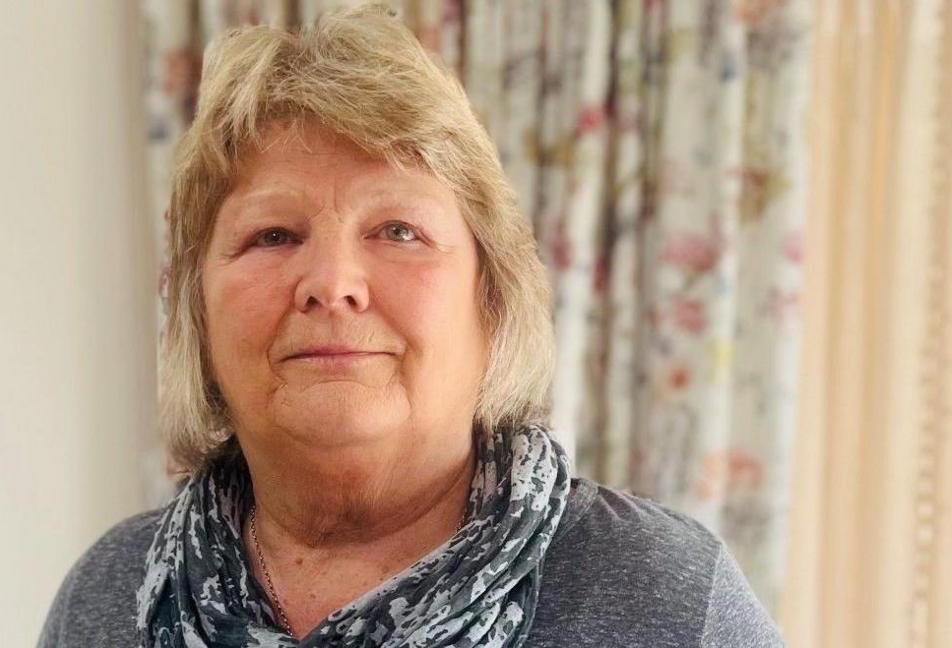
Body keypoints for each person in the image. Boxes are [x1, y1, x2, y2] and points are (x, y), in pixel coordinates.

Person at [38, 5, 784, 647]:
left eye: (397, 231)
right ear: (196, 310)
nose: (332, 284)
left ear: (492, 300)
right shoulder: (109, 598)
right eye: (273, 236)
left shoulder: (669, 601)